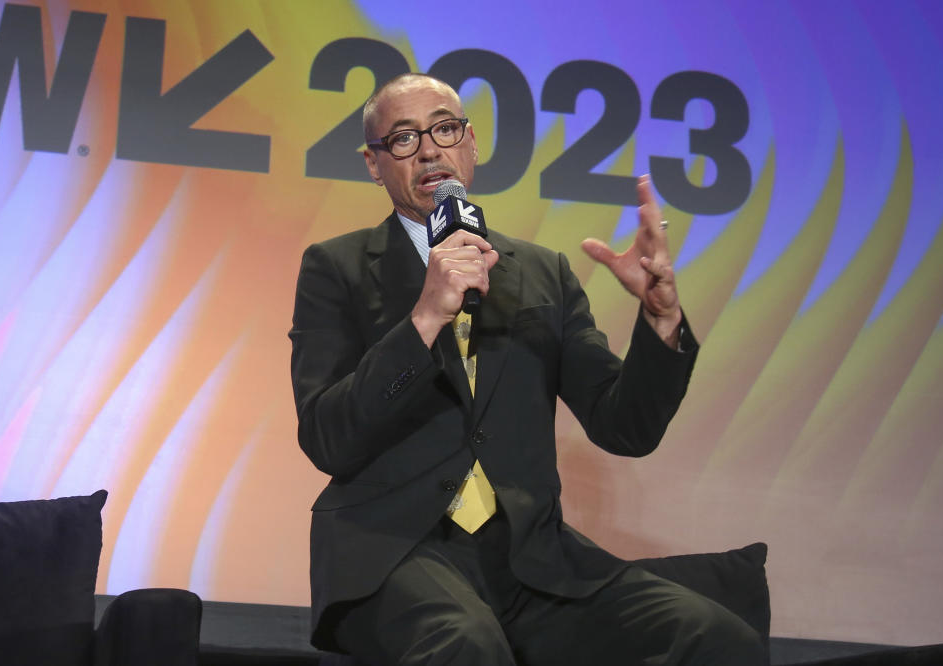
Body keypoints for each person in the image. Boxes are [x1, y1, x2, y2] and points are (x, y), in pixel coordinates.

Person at [289, 72, 764, 665]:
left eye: (445, 128)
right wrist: (424, 318)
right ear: (373, 163)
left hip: (533, 560)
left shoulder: (543, 272)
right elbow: (328, 437)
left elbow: (626, 428)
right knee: (465, 645)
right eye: (405, 139)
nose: (431, 149)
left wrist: (660, 319)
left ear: (472, 143)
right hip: (395, 552)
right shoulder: (337, 267)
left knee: (717, 638)